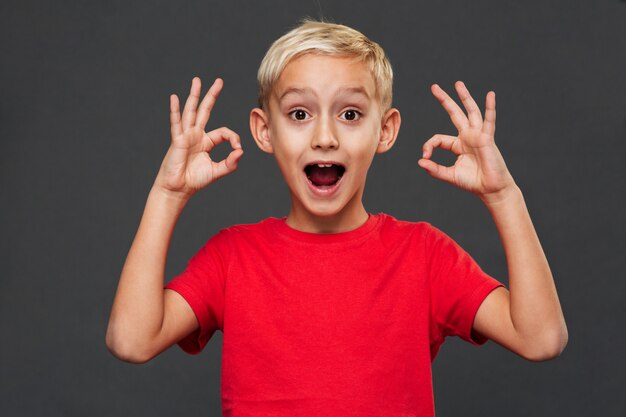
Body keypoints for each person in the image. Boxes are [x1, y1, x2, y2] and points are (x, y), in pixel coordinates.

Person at [105, 19, 568, 416]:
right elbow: (132, 340)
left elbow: (541, 338)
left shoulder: (423, 254)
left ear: (384, 131)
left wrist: (504, 196)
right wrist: (167, 194)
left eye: (350, 113)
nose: (325, 136)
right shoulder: (233, 257)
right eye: (300, 113)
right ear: (265, 131)